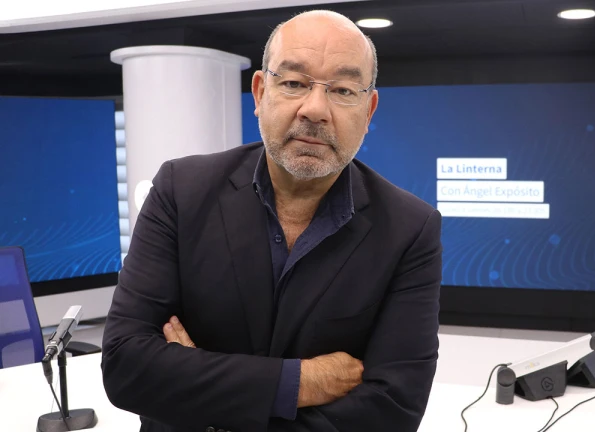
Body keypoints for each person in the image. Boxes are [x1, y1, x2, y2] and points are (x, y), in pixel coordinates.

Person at [101, 10, 443, 432]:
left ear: (368, 110)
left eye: (342, 90)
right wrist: (300, 382)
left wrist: (199, 385)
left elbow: (392, 410)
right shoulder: (181, 190)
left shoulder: (410, 229)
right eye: (295, 83)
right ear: (261, 92)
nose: (315, 110)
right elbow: (126, 365)